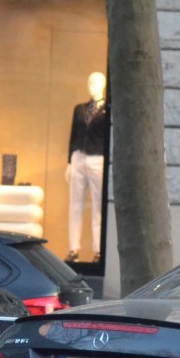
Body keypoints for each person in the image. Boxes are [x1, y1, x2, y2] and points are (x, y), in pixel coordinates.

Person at [65, 71, 108, 262]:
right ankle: (74, 248)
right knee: (76, 203)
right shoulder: (79, 109)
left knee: (98, 206)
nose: (92, 85)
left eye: (96, 82)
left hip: (98, 158)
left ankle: (98, 250)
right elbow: (73, 136)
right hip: (79, 157)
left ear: (104, 85)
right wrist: (69, 161)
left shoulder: (107, 109)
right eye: (90, 81)